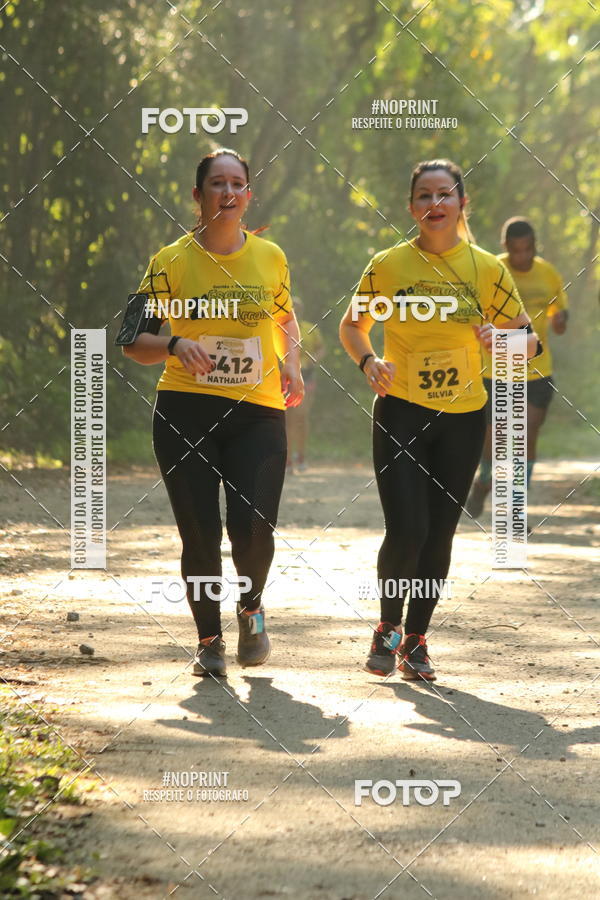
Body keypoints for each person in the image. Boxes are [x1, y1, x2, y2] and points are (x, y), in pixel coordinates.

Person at [339, 159, 541, 681]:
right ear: (411, 208)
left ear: (461, 205)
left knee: (440, 534)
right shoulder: (387, 265)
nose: (435, 204)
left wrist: (502, 341)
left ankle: (416, 640)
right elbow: (352, 326)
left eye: (445, 195)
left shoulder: (487, 269)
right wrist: (368, 361)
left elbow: (530, 340)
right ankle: (386, 627)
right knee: (407, 528)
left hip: (464, 416)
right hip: (402, 409)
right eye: (424, 195)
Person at [122, 148, 303, 677]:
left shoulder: (271, 257)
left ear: (249, 196)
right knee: (199, 532)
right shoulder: (170, 260)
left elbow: (286, 317)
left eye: (238, 184)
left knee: (251, 528)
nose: (228, 192)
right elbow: (132, 338)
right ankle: (208, 641)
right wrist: (176, 343)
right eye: (217, 184)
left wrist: (291, 364)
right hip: (186, 411)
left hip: (259, 412)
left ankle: (251, 610)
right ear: (198, 196)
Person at [466, 217, 569, 517]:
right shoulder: (491, 270)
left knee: (526, 434)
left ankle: (515, 507)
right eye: (515, 250)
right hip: (495, 369)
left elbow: (559, 320)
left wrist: (560, 322)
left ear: (535, 246)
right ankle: (483, 483)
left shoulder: (548, 274)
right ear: (505, 248)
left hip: (537, 369)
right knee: (495, 440)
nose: (522, 257)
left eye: (527, 250)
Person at [285, 297, 325, 472]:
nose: (296, 310)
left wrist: (315, 358)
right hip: (285, 376)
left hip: (306, 375)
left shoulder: (310, 329)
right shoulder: (280, 327)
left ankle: (301, 455)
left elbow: (321, 348)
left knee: (301, 416)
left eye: (298, 308)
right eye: (293, 307)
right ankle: (287, 459)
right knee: (287, 419)